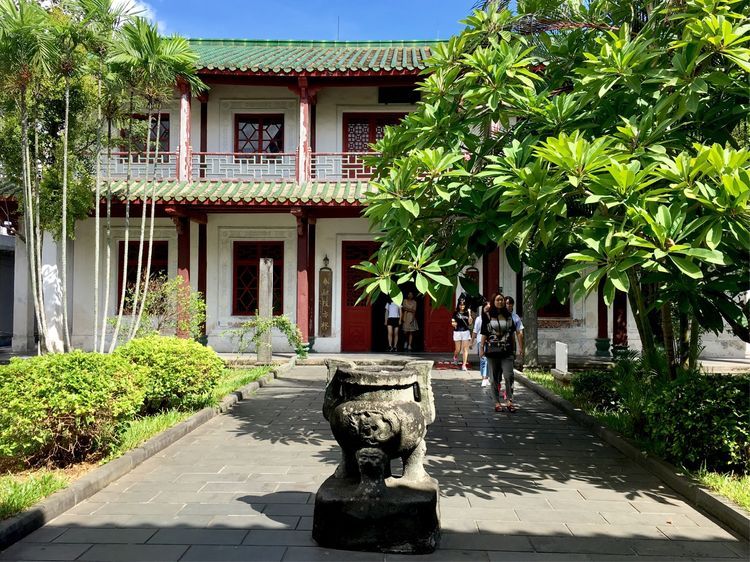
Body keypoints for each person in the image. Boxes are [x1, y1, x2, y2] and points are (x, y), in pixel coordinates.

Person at [481, 292, 517, 412]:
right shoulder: (487, 315)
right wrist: (481, 348)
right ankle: (497, 402)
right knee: (494, 379)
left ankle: (509, 400)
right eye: (497, 300)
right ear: (493, 302)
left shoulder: (508, 315)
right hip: (493, 351)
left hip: (507, 350)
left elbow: (512, 333)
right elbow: (484, 333)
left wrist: (514, 349)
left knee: (508, 375)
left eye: (501, 300)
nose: (500, 302)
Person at [472, 300, 490, 386]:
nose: (487, 311)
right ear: (483, 309)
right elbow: (475, 331)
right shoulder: (479, 319)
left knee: (489, 360)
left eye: (489, 309)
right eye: (486, 309)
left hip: (491, 342)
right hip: (481, 341)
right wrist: (472, 342)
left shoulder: (493, 318)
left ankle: (487, 377)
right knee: (483, 360)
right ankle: (484, 378)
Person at [451, 298, 473, 371]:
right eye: (460, 305)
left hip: (465, 332)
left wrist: (469, 313)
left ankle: (464, 365)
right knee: (458, 349)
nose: (462, 306)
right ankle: (455, 357)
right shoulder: (455, 313)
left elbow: (470, 323)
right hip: (457, 331)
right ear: (458, 305)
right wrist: (453, 323)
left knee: (465, 349)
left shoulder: (467, 313)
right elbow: (453, 321)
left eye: (463, 305)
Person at [504, 296, 525, 367]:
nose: (508, 305)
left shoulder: (516, 317)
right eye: (507, 303)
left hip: (511, 343)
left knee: (510, 363)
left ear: (513, 305)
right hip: (499, 343)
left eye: (510, 304)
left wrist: (521, 347)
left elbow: (519, 333)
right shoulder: (498, 316)